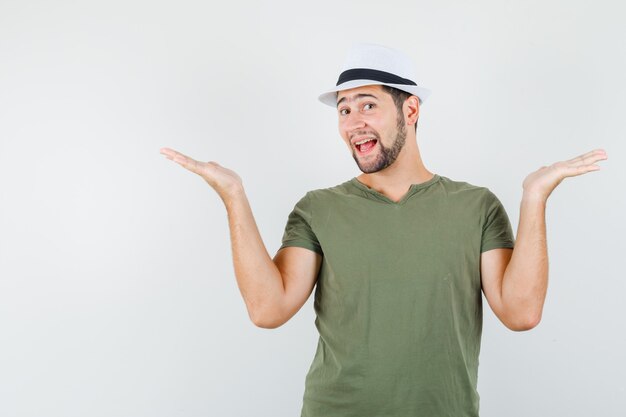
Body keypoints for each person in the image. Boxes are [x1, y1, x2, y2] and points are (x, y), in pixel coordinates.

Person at [160, 43, 607, 417]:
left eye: (368, 105)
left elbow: (521, 313)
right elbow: (267, 308)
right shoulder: (318, 209)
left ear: (410, 109)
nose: (353, 122)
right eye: (344, 109)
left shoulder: (476, 207)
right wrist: (233, 196)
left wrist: (535, 198)